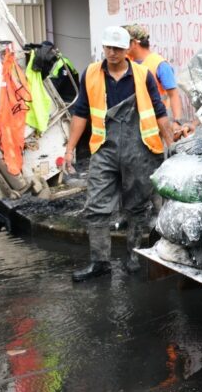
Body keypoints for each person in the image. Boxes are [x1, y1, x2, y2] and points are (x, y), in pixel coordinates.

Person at [65, 26, 173, 282]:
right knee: (96, 206)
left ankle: (133, 258)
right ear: (102, 47)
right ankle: (99, 262)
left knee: (137, 207)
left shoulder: (142, 75)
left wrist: (172, 145)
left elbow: (158, 111)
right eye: (108, 47)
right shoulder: (91, 73)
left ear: (128, 49)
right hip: (104, 148)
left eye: (117, 48)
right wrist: (70, 147)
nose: (111, 53)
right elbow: (81, 111)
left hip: (140, 150)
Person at [123, 24, 190, 138]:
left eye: (124, 42)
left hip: (158, 126)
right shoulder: (127, 62)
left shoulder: (160, 65)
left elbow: (173, 95)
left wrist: (176, 122)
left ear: (134, 43)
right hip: (134, 126)